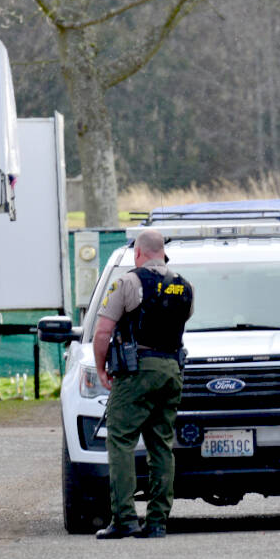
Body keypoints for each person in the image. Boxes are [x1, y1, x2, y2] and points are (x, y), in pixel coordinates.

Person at [92, 229, 194, 539]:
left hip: (137, 371)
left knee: (121, 440)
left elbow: (102, 332)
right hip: (171, 370)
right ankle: (158, 522)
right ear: (162, 253)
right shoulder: (185, 287)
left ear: (138, 253)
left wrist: (101, 369)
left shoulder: (127, 282)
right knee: (161, 444)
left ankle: (124, 519)